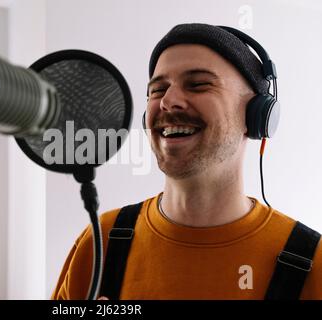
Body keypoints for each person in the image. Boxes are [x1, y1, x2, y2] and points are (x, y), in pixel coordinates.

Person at [51, 23, 322, 300]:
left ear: (256, 115)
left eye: (198, 84)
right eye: (157, 90)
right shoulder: (100, 244)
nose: (168, 101)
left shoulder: (312, 261)